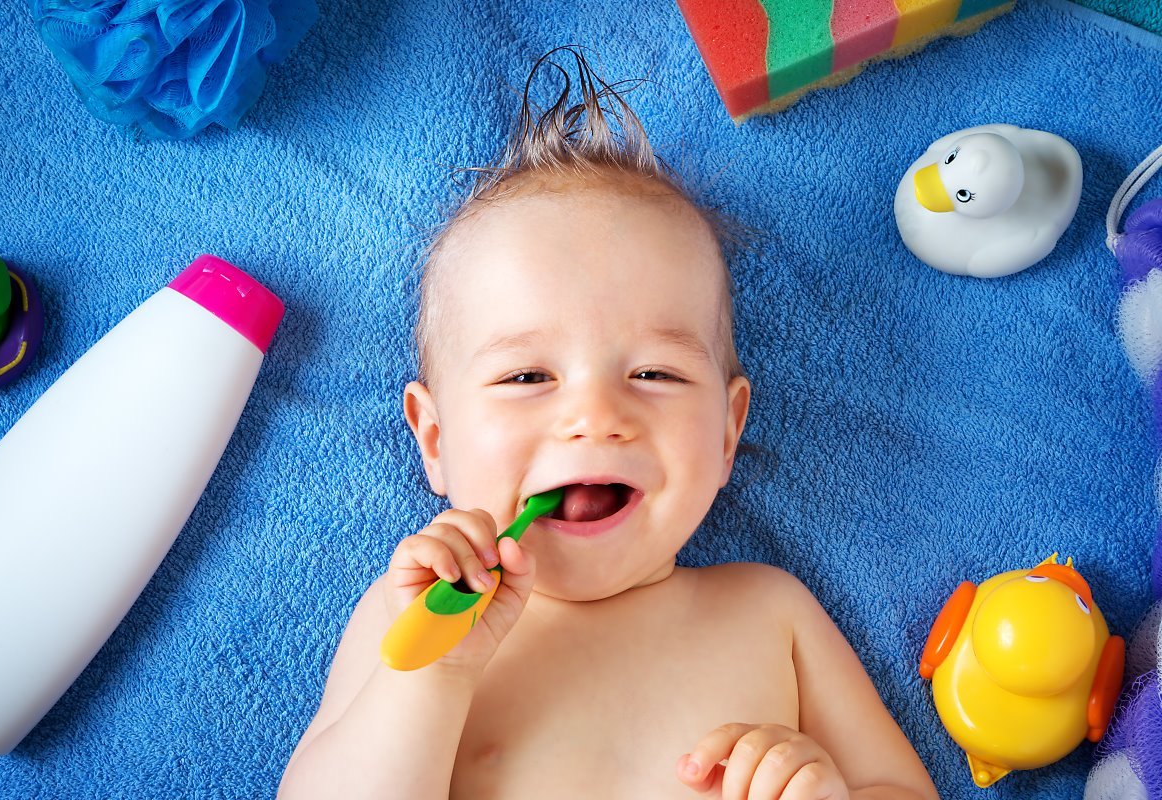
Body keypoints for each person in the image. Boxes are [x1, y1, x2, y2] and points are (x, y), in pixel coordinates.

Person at [279, 47, 939, 800]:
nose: (596, 417)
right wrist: (433, 673)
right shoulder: (414, 619)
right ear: (434, 438)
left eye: (655, 374)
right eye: (527, 377)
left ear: (727, 430)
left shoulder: (769, 610)